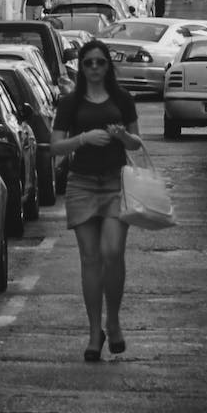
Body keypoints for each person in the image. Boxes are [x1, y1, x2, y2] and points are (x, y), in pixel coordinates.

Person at [52, 39, 144, 362]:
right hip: (81, 184)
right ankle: (95, 332)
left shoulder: (122, 99)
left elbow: (136, 143)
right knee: (90, 260)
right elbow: (56, 147)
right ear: (81, 66)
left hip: (116, 183)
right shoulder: (70, 102)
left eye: (100, 62)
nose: (93, 68)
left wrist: (122, 136)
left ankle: (114, 321)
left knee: (112, 252)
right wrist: (83, 139)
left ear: (108, 66)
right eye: (88, 63)